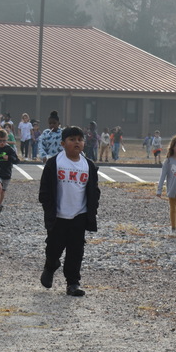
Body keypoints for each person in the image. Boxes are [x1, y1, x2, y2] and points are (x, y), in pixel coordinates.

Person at [39, 126, 100, 297]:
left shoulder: (88, 165)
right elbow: (44, 191)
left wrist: (92, 210)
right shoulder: (54, 163)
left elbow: (94, 190)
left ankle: (73, 283)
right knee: (54, 247)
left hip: (79, 215)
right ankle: (50, 266)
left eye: (80, 139)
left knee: (76, 250)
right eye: (72, 139)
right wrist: (48, 208)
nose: (77, 143)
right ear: (63, 143)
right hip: (58, 215)